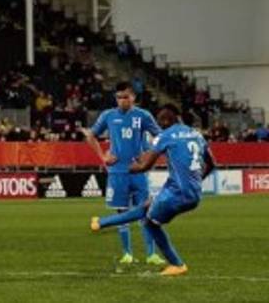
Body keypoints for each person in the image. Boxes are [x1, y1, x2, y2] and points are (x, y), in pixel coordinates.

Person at [91, 104, 216, 276]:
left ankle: (177, 264)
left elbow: (144, 166)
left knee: (150, 223)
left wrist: (125, 167)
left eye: (159, 123)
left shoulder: (165, 135)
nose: (158, 127)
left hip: (178, 192)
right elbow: (212, 163)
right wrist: (196, 181)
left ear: (165, 120)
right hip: (190, 192)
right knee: (146, 207)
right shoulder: (197, 135)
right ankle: (101, 223)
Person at [83, 82, 163, 265]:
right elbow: (90, 135)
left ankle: (151, 254)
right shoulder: (109, 115)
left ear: (133, 97)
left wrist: (149, 152)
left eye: (125, 97)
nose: (122, 101)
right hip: (117, 171)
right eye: (119, 97)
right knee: (122, 212)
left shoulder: (143, 115)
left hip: (138, 171)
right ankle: (127, 253)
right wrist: (103, 156)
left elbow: (160, 137)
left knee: (146, 211)